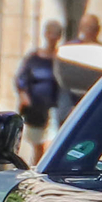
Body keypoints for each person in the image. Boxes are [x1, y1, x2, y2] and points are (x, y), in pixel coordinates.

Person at [14, 19, 65, 159]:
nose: (53, 37)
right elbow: (21, 79)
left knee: (49, 145)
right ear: (46, 35)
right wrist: (24, 97)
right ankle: (37, 173)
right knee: (38, 146)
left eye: (56, 34)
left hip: (53, 108)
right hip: (35, 109)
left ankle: (43, 171)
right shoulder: (33, 58)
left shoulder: (61, 59)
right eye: (51, 33)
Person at [56, 14, 102, 114]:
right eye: (85, 27)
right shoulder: (69, 50)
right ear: (80, 28)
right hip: (70, 104)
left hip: (96, 104)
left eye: (92, 28)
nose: (88, 31)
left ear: (98, 30)